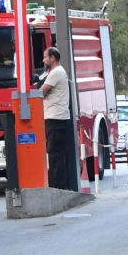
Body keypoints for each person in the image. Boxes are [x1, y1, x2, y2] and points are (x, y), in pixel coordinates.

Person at [35, 47, 77, 189]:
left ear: (52, 58)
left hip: (54, 117)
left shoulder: (56, 72)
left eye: (45, 57)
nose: (43, 60)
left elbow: (42, 92)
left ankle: (57, 186)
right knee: (56, 153)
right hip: (57, 117)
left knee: (54, 153)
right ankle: (59, 183)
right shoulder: (57, 72)